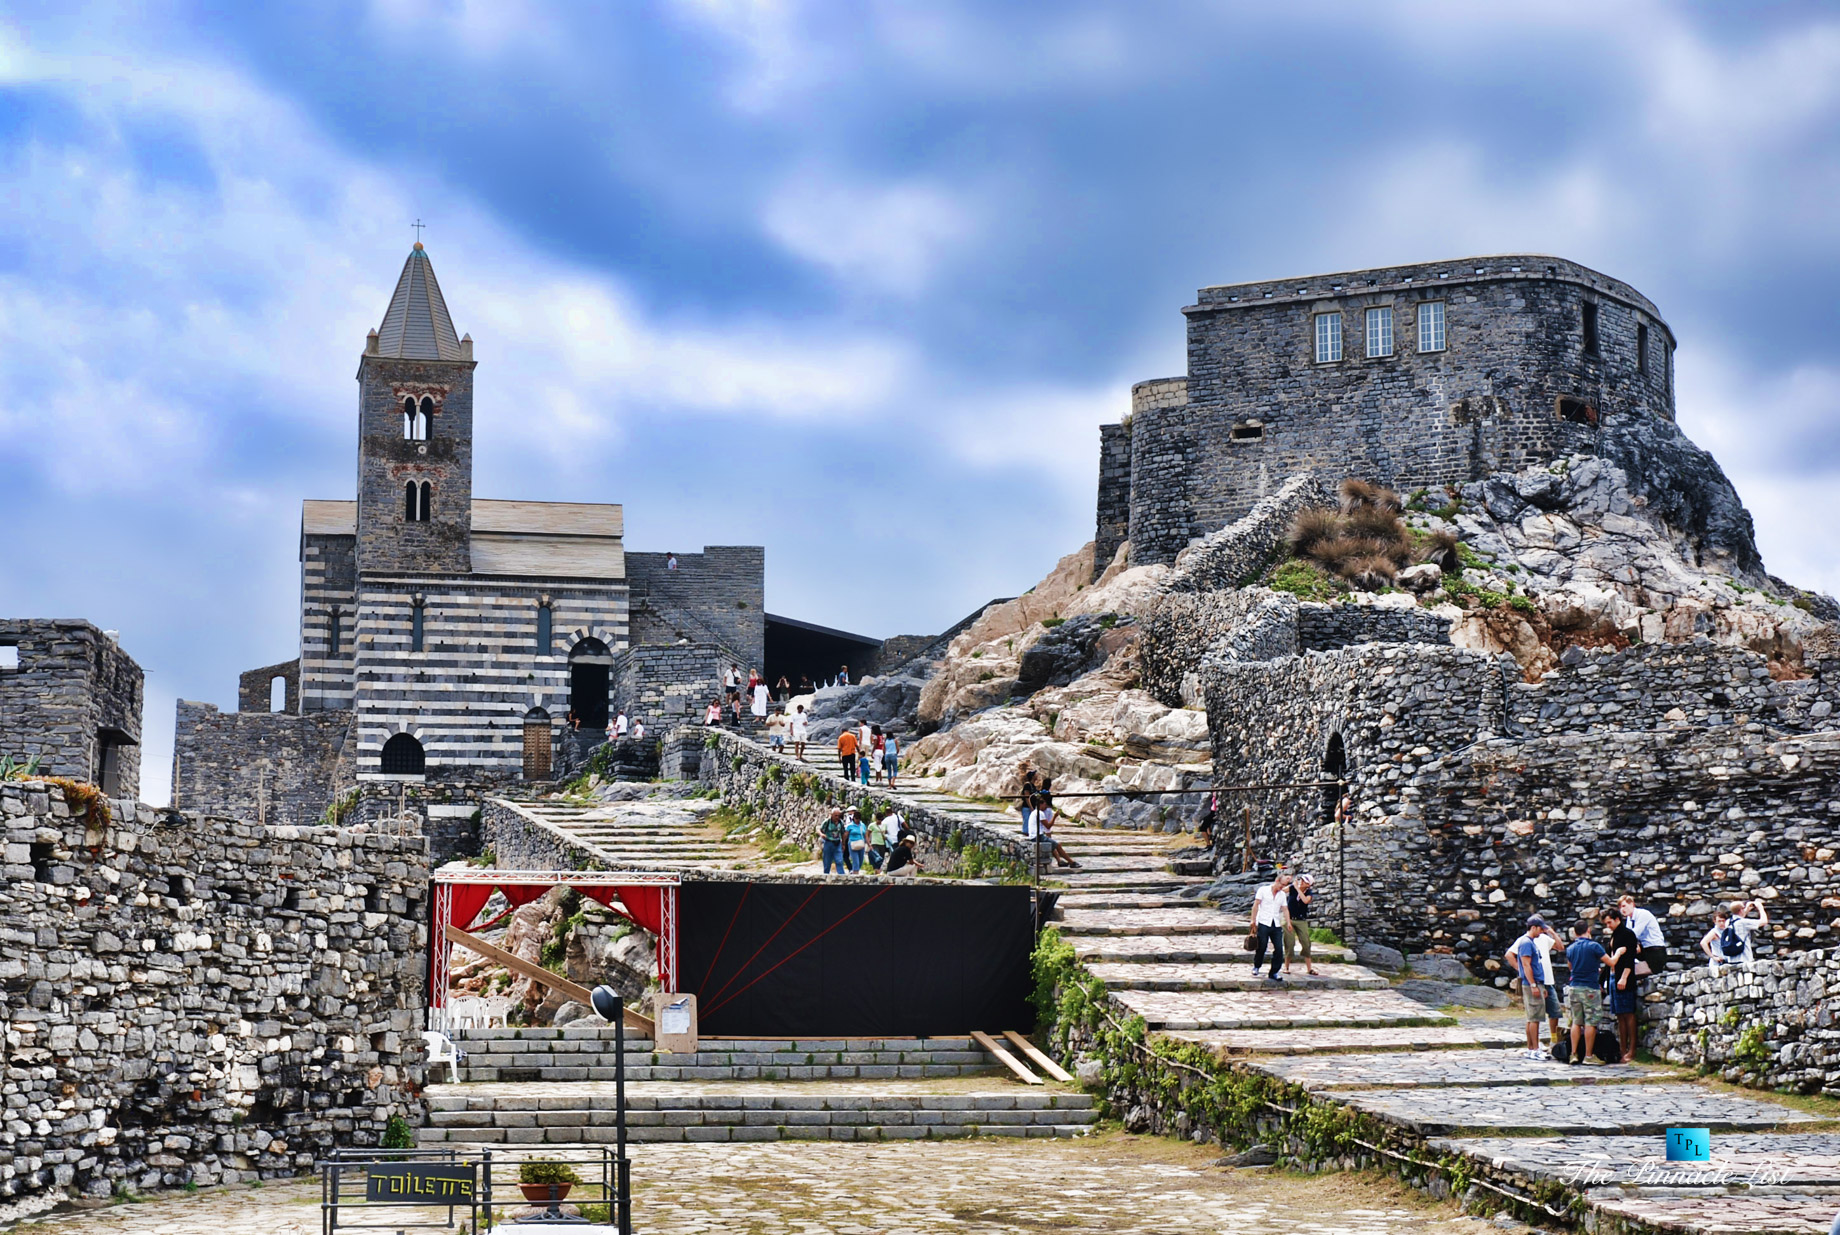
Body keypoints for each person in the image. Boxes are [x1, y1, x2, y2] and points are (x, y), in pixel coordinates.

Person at [1506, 916, 1555, 1059]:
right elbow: (1526, 965)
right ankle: (1534, 1049)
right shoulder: (1526, 943)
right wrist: (1533, 984)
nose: (1541, 932)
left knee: (1532, 1017)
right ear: (1533, 927)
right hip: (1532, 983)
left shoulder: (1530, 942)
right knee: (1535, 1018)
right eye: (1540, 929)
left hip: (1537, 982)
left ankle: (1531, 1047)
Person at [1563, 920, 1608, 1066]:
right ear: (1588, 930)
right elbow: (1611, 962)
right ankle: (1588, 1056)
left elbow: (1571, 967)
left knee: (1576, 1021)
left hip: (1574, 987)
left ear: (1575, 933)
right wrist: (1619, 953)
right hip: (1590, 987)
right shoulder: (1594, 946)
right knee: (1590, 1022)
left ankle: (1573, 1054)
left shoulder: (1570, 948)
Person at [1603, 907, 1641, 1063]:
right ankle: (1622, 1048)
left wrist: (1624, 977)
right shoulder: (1615, 935)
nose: (1608, 926)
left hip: (1623, 977)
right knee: (1619, 1014)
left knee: (1628, 1014)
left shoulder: (1627, 934)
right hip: (1613, 976)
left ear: (1617, 919)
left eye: (1609, 922)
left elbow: (1629, 958)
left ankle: (1631, 1050)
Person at [1702, 900, 1767, 972]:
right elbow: (1764, 921)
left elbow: (1738, 917)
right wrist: (1760, 908)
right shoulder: (1742, 923)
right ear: (1741, 910)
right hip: (1744, 958)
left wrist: (1746, 909)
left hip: (1731, 960)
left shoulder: (1728, 922)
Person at [1250, 872, 1291, 983]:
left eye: (1284, 886)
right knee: (1262, 946)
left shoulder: (1282, 895)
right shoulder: (1263, 890)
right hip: (1263, 921)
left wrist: (1288, 922)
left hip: (1276, 923)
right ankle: (1257, 965)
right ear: (1277, 881)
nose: (1282, 888)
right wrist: (1253, 920)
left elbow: (1285, 909)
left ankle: (1274, 972)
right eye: (1281, 885)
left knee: (1279, 948)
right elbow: (1256, 905)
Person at [1618, 895, 1669, 977]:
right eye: (1620, 907)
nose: (1622, 909)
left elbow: (1633, 935)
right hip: (1645, 950)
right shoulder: (1629, 919)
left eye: (1624, 906)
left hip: (1655, 950)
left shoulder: (1643, 914)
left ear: (1632, 904)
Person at [1033, 784, 1080, 869]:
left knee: (1053, 844)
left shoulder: (1035, 812)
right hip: (1037, 836)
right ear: (1041, 804)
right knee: (1057, 845)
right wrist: (1055, 816)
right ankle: (1071, 862)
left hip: (1036, 835)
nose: (1045, 806)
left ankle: (1059, 861)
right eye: (1044, 805)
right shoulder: (1040, 813)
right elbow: (1048, 826)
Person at [1284, 874, 1318, 976]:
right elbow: (1281, 891)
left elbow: (1305, 900)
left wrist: (1298, 889)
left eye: (1304, 881)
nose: (1301, 882)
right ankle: (1286, 967)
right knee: (1289, 943)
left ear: (1308, 884)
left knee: (1306, 943)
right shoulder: (1292, 888)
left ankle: (1309, 968)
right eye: (1301, 880)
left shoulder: (1309, 892)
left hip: (1301, 920)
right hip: (1289, 919)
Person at [819, 807, 845, 875]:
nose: (837, 817)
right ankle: (826, 875)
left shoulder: (841, 823)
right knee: (827, 862)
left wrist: (843, 844)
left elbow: (843, 833)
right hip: (828, 843)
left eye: (838, 815)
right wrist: (822, 834)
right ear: (832, 815)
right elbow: (819, 830)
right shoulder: (827, 822)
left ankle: (841, 876)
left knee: (839, 860)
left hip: (837, 843)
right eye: (835, 815)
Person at [843, 808, 869, 874]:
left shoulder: (862, 825)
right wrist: (843, 844)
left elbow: (865, 835)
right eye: (856, 819)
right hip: (852, 844)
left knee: (860, 861)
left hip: (861, 843)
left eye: (859, 819)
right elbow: (845, 835)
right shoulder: (849, 826)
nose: (857, 820)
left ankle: (854, 871)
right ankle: (855, 874)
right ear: (854, 818)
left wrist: (869, 844)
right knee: (855, 861)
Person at [1016, 768, 1039, 836]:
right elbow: (1027, 797)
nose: (1036, 775)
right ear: (1032, 776)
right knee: (1027, 823)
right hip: (1027, 808)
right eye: (1035, 774)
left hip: (1032, 808)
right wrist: (1031, 807)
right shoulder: (1027, 785)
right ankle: (1025, 838)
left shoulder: (1033, 786)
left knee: (1031, 823)